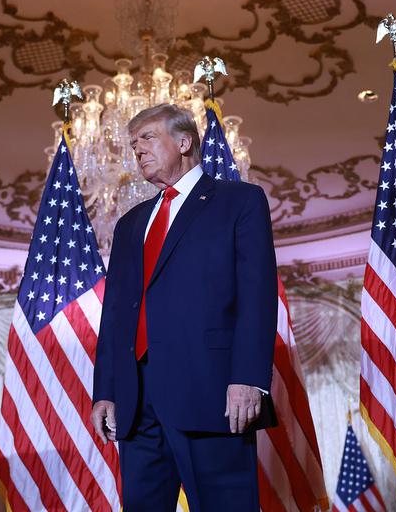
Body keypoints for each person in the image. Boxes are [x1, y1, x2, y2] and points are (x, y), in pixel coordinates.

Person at [91, 103, 278, 511]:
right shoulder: (129, 224)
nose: (136, 149)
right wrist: (105, 388)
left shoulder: (239, 201)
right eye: (133, 142)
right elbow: (117, 314)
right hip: (136, 402)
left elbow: (257, 295)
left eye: (147, 137)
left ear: (184, 141)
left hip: (211, 392)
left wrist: (248, 377)